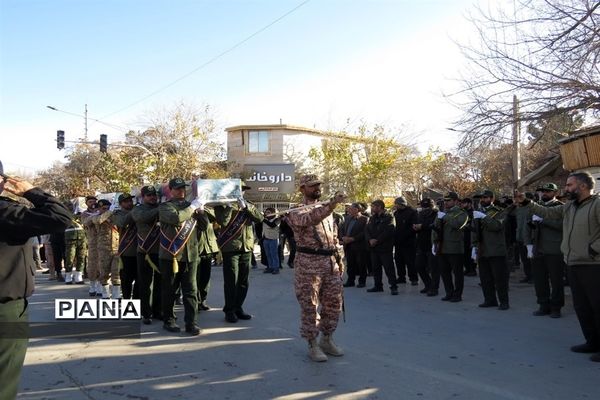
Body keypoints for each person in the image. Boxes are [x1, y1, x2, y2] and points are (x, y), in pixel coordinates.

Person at [0, 163, 71, 400]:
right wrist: (31, 192)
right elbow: (60, 217)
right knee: (3, 380)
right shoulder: (6, 213)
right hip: (6, 309)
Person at [516, 171, 600, 362]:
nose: (566, 188)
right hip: (572, 263)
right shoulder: (569, 206)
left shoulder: (597, 204)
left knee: (597, 306)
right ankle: (592, 342)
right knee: (582, 307)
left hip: (593, 265)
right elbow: (548, 212)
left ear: (583, 186)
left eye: (570, 185)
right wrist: (528, 203)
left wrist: (593, 250)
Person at [284, 174, 346, 362]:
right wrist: (331, 205)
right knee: (310, 305)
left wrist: (339, 259)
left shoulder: (326, 210)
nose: (317, 188)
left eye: (318, 185)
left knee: (334, 303)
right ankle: (312, 343)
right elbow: (309, 220)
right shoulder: (297, 211)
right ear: (302, 189)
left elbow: (333, 237)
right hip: (308, 264)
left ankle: (327, 339)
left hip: (330, 263)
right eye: (312, 186)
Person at [213, 182, 263, 323]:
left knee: (243, 281)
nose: (242, 192)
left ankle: (238, 307)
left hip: (246, 247)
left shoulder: (248, 204)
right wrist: (229, 206)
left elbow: (259, 218)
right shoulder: (221, 205)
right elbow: (223, 221)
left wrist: (246, 208)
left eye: (243, 190)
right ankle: (229, 310)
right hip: (231, 248)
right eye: (239, 190)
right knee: (231, 281)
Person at [158, 178, 202, 335]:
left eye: (183, 188)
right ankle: (169, 320)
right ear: (171, 190)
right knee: (170, 290)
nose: (181, 191)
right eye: (177, 188)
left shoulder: (190, 206)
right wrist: (193, 207)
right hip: (171, 255)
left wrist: (201, 211)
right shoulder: (165, 207)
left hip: (190, 255)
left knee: (190, 291)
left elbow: (205, 226)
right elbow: (176, 218)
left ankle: (192, 323)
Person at [527, 183, 565, 318]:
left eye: (547, 192)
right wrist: (529, 244)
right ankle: (543, 305)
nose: (544, 194)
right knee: (540, 280)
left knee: (556, 281)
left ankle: (556, 307)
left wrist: (544, 221)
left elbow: (563, 226)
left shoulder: (560, 206)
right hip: (538, 247)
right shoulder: (537, 207)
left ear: (555, 193)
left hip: (554, 249)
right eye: (542, 191)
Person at [472, 190, 510, 310]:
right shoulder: (478, 212)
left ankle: (504, 302)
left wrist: (484, 217)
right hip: (482, 249)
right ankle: (489, 300)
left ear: (492, 198)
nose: (482, 200)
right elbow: (474, 231)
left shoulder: (500, 212)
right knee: (485, 278)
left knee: (499, 278)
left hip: (496, 249)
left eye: (485, 197)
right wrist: (474, 246)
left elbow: (497, 226)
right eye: (481, 198)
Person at [131, 185, 162, 324]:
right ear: (143, 197)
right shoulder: (137, 209)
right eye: (149, 195)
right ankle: (146, 313)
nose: (152, 197)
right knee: (145, 284)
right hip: (145, 251)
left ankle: (157, 311)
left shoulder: (161, 207)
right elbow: (143, 218)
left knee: (160, 284)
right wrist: (160, 209)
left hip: (160, 251)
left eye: (154, 195)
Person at [432, 192, 469, 302]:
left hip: (454, 247)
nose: (446, 203)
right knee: (444, 272)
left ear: (456, 201)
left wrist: (445, 216)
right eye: (445, 201)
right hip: (442, 247)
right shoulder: (442, 213)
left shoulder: (462, 213)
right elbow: (435, 228)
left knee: (457, 273)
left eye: (448, 200)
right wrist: (434, 242)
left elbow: (458, 225)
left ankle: (457, 294)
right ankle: (449, 292)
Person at [365, 199, 398, 295]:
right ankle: (378, 285)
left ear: (379, 207)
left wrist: (377, 240)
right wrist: (370, 239)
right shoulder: (372, 218)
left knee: (389, 268)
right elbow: (367, 230)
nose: (372, 208)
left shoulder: (389, 217)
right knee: (376, 268)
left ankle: (393, 286)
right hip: (374, 248)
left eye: (374, 206)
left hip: (384, 247)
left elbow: (389, 231)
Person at [91, 199, 122, 299]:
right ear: (99, 209)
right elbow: (98, 220)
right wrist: (109, 212)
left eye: (108, 208)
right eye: (103, 208)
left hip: (117, 248)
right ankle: (105, 293)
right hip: (104, 249)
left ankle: (116, 295)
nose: (106, 210)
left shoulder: (114, 216)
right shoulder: (96, 217)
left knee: (116, 272)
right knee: (104, 272)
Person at [112, 193, 138, 299]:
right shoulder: (117, 214)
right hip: (127, 251)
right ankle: (127, 302)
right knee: (126, 280)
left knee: (139, 280)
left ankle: (137, 303)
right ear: (121, 204)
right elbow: (122, 223)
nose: (129, 203)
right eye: (126, 201)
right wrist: (134, 211)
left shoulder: (137, 210)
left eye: (130, 201)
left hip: (141, 249)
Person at [339, 202, 369, 288]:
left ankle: (362, 281)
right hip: (348, 246)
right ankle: (350, 280)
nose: (348, 210)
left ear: (356, 209)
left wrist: (353, 239)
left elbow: (364, 232)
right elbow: (342, 228)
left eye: (351, 209)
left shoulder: (365, 219)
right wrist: (343, 238)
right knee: (350, 264)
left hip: (359, 245)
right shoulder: (347, 218)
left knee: (361, 264)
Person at [414, 198, 438, 295]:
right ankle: (428, 284)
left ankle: (434, 288)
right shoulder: (420, 214)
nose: (424, 208)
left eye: (426, 206)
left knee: (434, 268)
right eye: (423, 206)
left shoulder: (436, 214)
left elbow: (435, 226)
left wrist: (422, 226)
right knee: (419, 266)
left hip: (432, 244)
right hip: (421, 243)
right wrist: (416, 227)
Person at [392, 196, 419, 285]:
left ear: (401, 204)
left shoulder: (412, 212)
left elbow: (414, 227)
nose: (395, 205)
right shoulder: (396, 213)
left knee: (410, 261)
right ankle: (401, 277)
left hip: (409, 242)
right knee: (399, 260)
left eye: (396, 204)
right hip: (398, 242)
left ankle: (413, 278)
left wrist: (404, 236)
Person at [81, 196, 101, 297]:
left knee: (102, 263)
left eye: (94, 201)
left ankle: (100, 285)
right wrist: (95, 215)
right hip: (92, 241)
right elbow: (86, 222)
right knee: (92, 263)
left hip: (103, 241)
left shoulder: (101, 211)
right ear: (86, 203)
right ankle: (92, 285)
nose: (92, 203)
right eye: (90, 201)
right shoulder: (85, 214)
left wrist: (99, 212)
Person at [63, 209, 86, 285]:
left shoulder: (79, 215)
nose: (70, 208)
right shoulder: (64, 216)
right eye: (68, 206)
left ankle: (78, 276)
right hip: (70, 240)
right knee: (70, 258)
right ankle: (68, 275)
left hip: (81, 239)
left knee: (81, 257)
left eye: (70, 206)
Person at [262, 207, 281, 274]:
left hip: (273, 239)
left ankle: (276, 268)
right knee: (268, 255)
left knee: (274, 255)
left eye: (268, 212)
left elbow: (272, 225)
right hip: (266, 239)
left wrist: (263, 219)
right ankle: (270, 267)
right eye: (266, 212)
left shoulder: (277, 219)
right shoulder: (265, 219)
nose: (266, 214)